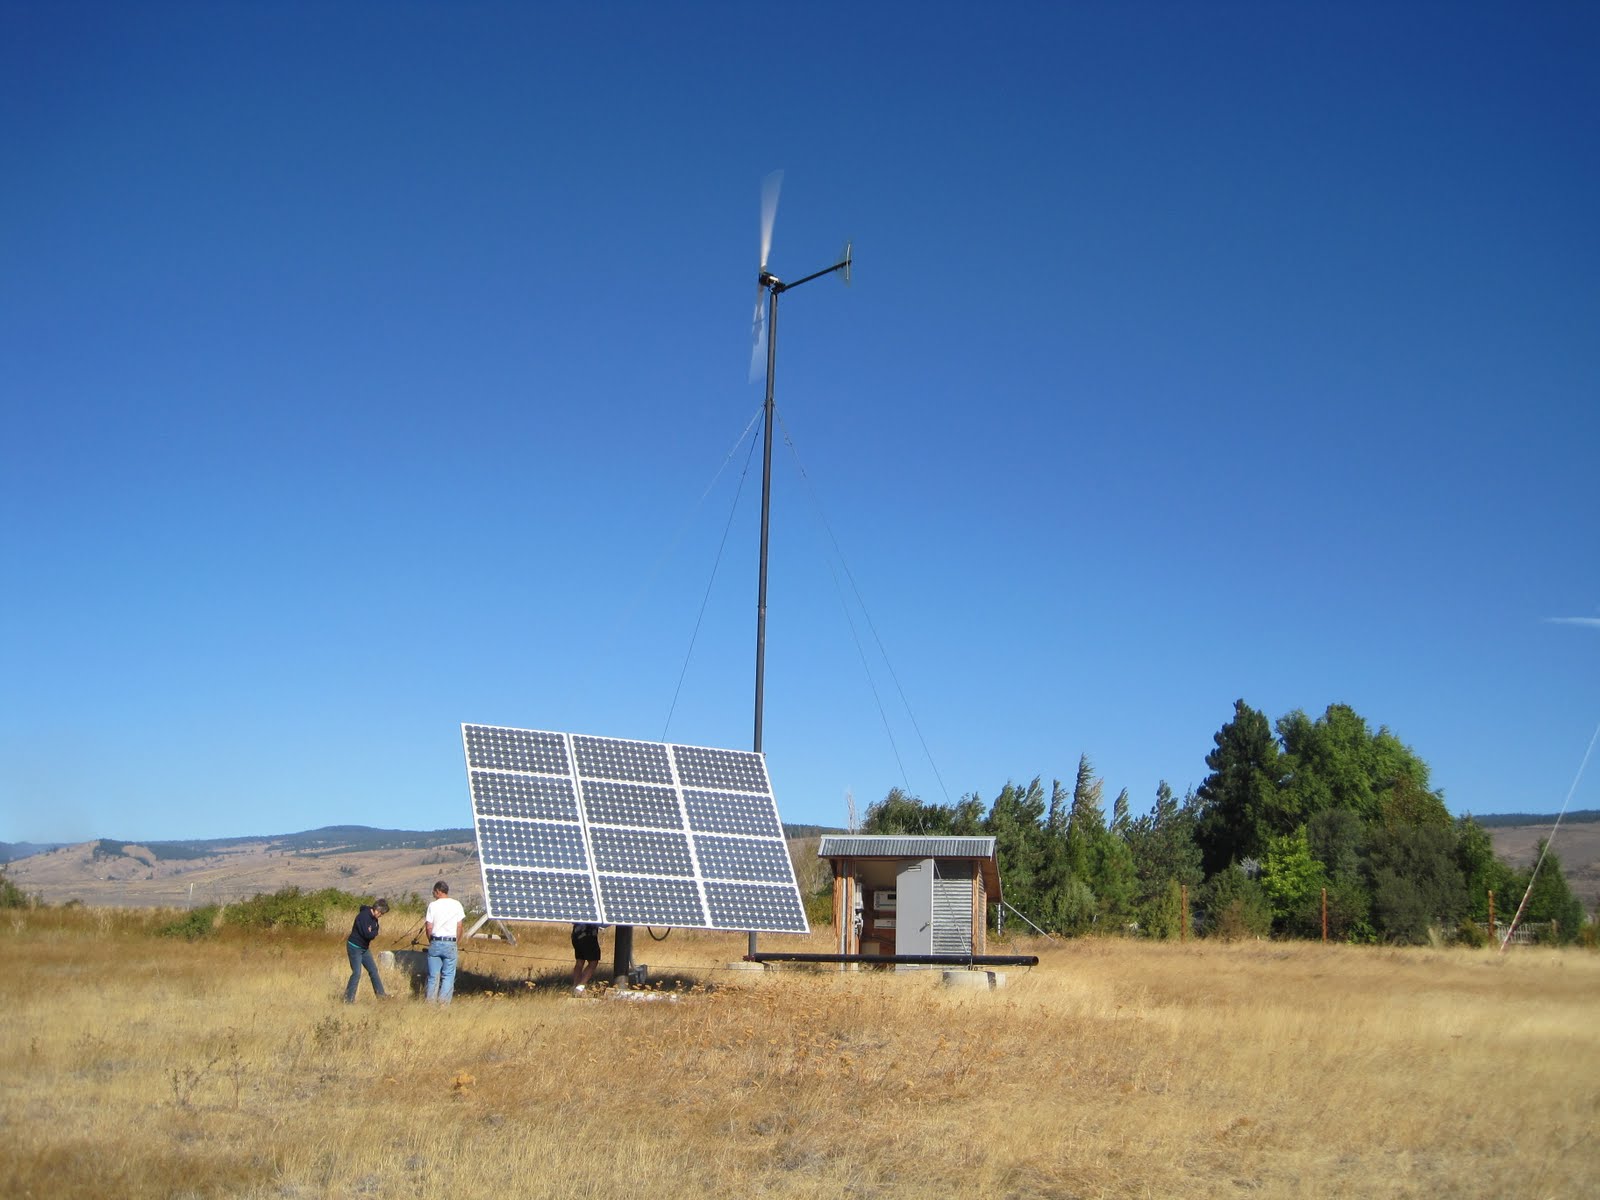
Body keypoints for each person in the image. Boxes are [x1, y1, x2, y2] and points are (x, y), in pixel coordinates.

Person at [424, 880, 467, 1004]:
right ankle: (443, 1004)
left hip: (436, 941)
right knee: (448, 976)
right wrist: (456, 942)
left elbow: (429, 927)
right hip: (450, 942)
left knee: (433, 976)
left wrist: (431, 941)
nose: (433, 894)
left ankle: (430, 1004)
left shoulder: (433, 905)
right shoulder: (457, 904)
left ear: (438, 891)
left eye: (434, 892)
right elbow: (460, 926)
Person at [344, 897, 390, 1003]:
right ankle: (348, 1000)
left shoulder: (374, 919)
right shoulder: (363, 917)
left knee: (373, 970)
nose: (381, 916)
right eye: (381, 914)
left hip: (364, 948)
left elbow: (374, 931)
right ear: (377, 910)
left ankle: (381, 995)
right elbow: (367, 934)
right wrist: (372, 931)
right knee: (356, 973)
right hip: (354, 947)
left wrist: (372, 931)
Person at [571, 922, 603, 993]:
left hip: (576, 935)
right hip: (588, 936)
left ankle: (575, 985)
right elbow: (604, 923)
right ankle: (580, 986)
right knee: (593, 962)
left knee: (580, 961)